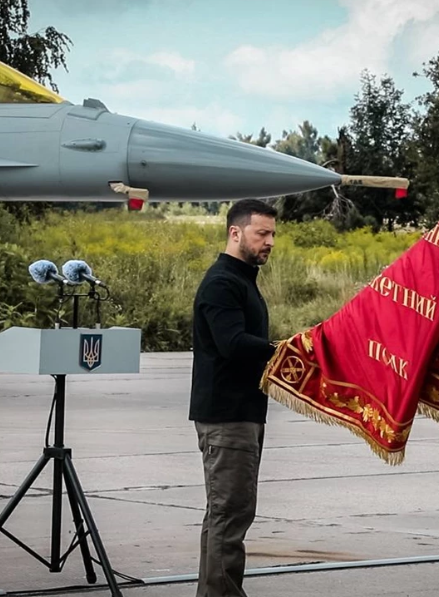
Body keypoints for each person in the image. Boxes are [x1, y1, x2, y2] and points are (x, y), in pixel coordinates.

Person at [189, 199, 278, 597]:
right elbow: (232, 344)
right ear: (235, 232)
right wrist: (284, 351)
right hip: (227, 418)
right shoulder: (222, 282)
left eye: (273, 234)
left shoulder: (241, 280)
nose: (270, 241)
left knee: (228, 513)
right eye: (262, 233)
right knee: (230, 514)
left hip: (241, 413)